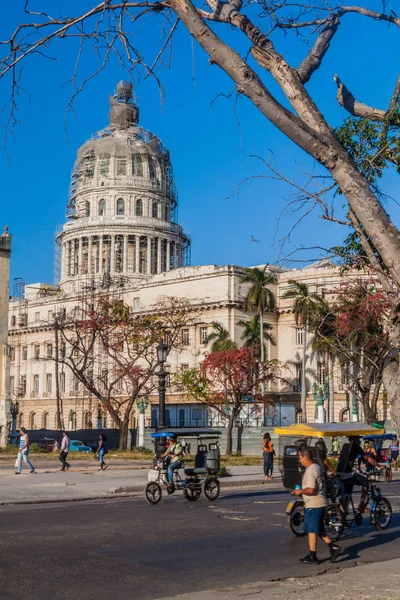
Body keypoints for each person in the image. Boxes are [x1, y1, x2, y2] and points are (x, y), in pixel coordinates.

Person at [292, 447, 341, 564]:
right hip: (317, 502)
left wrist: (300, 492)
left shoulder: (310, 471)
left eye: (300, 458)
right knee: (318, 529)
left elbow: (311, 489)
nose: (300, 461)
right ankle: (333, 547)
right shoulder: (317, 467)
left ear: (305, 457)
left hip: (315, 504)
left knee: (311, 530)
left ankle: (313, 556)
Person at [337, 435, 379, 513]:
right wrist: (379, 466)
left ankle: (343, 512)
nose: (360, 441)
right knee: (365, 482)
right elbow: (368, 459)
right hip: (347, 474)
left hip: (339, 473)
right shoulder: (357, 448)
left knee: (347, 491)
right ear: (355, 440)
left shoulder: (345, 445)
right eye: (358, 439)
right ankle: (361, 505)